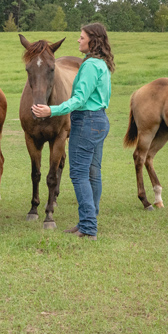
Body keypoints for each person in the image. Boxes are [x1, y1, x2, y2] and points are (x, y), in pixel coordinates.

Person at [32, 22, 115, 240]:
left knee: (79, 174)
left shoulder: (89, 66)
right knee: (93, 173)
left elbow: (79, 100)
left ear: (93, 40)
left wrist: (51, 110)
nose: (78, 40)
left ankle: (88, 226)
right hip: (100, 119)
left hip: (86, 121)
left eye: (82, 37)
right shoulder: (101, 64)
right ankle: (88, 220)